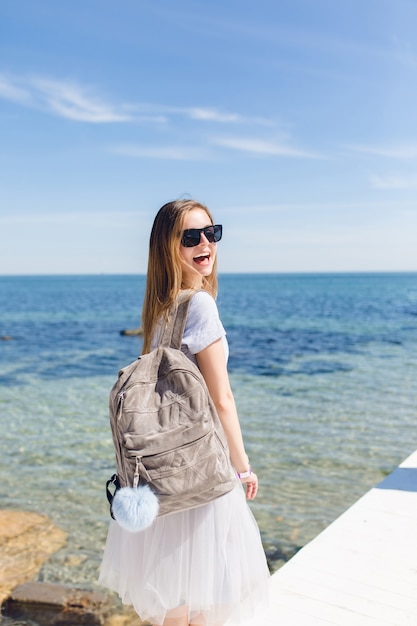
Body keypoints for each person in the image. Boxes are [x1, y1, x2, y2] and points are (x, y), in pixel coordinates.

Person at [99, 199, 270, 626]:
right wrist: (243, 467)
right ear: (166, 246)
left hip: (163, 476)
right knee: (206, 604)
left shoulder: (160, 308)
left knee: (177, 605)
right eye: (190, 237)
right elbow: (221, 398)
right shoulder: (199, 305)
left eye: (211, 233)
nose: (205, 244)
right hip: (199, 470)